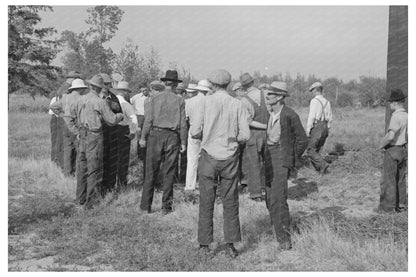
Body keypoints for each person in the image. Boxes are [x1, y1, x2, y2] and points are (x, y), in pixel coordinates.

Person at [191, 69, 250, 258]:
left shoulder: (205, 102)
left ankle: (204, 245)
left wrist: (207, 134)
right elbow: (245, 135)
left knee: (206, 200)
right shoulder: (237, 104)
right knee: (231, 201)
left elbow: (194, 132)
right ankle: (231, 246)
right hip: (230, 156)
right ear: (227, 84)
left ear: (213, 85)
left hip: (208, 155)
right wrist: (231, 139)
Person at [263, 81, 308, 250]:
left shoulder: (290, 115)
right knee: (268, 197)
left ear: (281, 97)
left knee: (278, 199)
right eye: (268, 94)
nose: (267, 97)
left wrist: (291, 157)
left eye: (271, 94)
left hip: (281, 158)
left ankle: (284, 239)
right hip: (269, 156)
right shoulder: (270, 113)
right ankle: (276, 228)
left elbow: (303, 140)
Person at [139, 70, 187, 215]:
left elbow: (148, 120)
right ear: (175, 84)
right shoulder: (179, 100)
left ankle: (145, 206)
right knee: (169, 172)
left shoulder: (153, 98)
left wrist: (143, 137)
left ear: (164, 83)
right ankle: (166, 207)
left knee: (151, 171)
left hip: (155, 135)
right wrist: (183, 141)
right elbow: (183, 123)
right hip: (172, 136)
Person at [76, 75, 123, 209]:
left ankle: (80, 198)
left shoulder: (81, 99)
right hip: (94, 135)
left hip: (82, 133)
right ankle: (91, 203)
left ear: (90, 86)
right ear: (100, 88)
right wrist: (120, 116)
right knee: (94, 169)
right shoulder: (99, 102)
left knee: (82, 168)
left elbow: (74, 115)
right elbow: (111, 120)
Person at [239, 73, 270, 201]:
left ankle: (256, 194)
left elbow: (248, 121)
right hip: (269, 133)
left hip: (253, 134)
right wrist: (268, 127)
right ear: (253, 82)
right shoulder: (266, 93)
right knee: (268, 162)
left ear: (243, 86)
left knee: (254, 164)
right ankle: (267, 188)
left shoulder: (244, 100)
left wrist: (262, 126)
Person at [50, 78, 88, 176]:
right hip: (76, 126)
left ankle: (67, 173)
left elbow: (53, 106)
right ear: (80, 88)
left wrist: (62, 115)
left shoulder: (66, 97)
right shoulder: (82, 99)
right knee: (79, 150)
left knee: (67, 150)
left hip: (66, 126)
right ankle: (78, 173)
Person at [377, 89, 407, 213]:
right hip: (403, 150)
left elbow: (390, 136)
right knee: (400, 179)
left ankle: (387, 208)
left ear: (395, 103)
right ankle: (401, 204)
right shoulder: (407, 115)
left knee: (389, 179)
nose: (389, 105)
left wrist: (380, 146)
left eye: (390, 102)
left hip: (393, 149)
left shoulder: (396, 116)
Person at [184, 80, 212, 192]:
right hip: (208, 131)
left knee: (192, 159)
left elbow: (186, 118)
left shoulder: (190, 102)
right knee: (207, 160)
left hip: (193, 130)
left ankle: (190, 185)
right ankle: (205, 184)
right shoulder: (211, 101)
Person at [50, 70, 81, 169]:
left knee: (61, 143)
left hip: (60, 117)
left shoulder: (63, 87)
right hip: (66, 119)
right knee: (63, 144)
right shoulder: (67, 89)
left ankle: (61, 166)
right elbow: (64, 104)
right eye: (76, 78)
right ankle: (62, 165)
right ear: (72, 79)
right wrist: (63, 115)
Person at [99, 73, 122, 195]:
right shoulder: (94, 97)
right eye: (103, 83)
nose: (105, 86)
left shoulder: (113, 97)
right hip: (98, 132)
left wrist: (111, 105)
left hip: (112, 132)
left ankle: (110, 187)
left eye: (107, 84)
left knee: (112, 159)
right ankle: (100, 188)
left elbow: (120, 112)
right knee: (100, 160)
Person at [114, 81, 139, 190]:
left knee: (113, 157)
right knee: (123, 158)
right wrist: (133, 133)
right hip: (123, 131)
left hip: (112, 130)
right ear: (125, 92)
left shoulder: (111, 101)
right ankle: (121, 181)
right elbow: (134, 119)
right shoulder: (126, 104)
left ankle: (112, 181)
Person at [305, 81, 333, 175]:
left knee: (310, 150)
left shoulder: (314, 101)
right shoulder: (327, 102)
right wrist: (328, 128)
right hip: (325, 126)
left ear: (317, 90)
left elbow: (311, 116)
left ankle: (323, 165)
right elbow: (330, 117)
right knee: (318, 150)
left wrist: (308, 129)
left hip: (317, 126)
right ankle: (320, 171)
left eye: (312, 90)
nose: (312, 92)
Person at [131, 85, 151, 165]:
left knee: (147, 135)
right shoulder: (136, 97)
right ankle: (140, 155)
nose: (144, 92)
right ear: (140, 90)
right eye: (142, 90)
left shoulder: (152, 97)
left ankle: (146, 154)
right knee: (139, 135)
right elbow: (129, 104)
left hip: (148, 116)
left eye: (146, 90)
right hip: (139, 117)